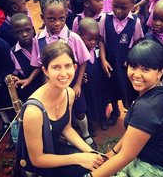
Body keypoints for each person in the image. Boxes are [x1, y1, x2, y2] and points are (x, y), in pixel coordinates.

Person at [85, 40, 163, 177]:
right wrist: (113, 152)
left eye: (145, 69)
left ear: (160, 72)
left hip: (150, 170)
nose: (136, 74)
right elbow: (133, 132)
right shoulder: (157, 90)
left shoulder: (147, 108)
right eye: (133, 66)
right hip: (146, 161)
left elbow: (125, 157)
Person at [15, 41, 104, 177]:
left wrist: (91, 153)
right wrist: (79, 158)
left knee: (96, 166)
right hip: (39, 165)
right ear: (45, 70)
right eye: (56, 67)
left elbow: (67, 129)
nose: (63, 73)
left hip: (55, 148)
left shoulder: (69, 93)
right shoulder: (34, 111)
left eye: (68, 66)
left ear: (75, 67)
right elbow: (37, 159)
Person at [30, 0, 95, 147]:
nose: (57, 23)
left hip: (71, 85)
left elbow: (83, 60)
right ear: (42, 17)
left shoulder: (73, 38)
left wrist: (78, 84)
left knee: (79, 111)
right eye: (51, 19)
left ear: (67, 14)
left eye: (62, 18)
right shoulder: (38, 40)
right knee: (57, 114)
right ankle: (63, 136)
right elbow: (39, 65)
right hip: (51, 87)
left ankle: (85, 134)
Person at [99, 0, 144, 126]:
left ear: (133, 4)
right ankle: (115, 111)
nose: (118, 10)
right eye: (115, 6)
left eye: (123, 8)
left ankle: (131, 114)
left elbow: (138, 42)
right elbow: (100, 40)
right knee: (110, 89)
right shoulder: (105, 19)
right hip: (109, 65)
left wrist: (130, 60)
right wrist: (103, 60)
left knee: (127, 90)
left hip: (125, 66)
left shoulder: (135, 22)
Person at [78, 17, 109, 131]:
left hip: (99, 84)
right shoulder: (78, 51)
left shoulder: (98, 48)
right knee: (88, 104)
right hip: (86, 86)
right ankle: (90, 124)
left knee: (101, 101)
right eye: (89, 39)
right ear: (80, 35)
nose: (93, 42)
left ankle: (103, 118)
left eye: (95, 39)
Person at [10, 13, 42, 102]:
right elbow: (17, 71)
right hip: (31, 92)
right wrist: (14, 77)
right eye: (19, 32)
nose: (24, 34)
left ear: (32, 29)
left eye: (27, 30)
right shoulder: (13, 52)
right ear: (13, 34)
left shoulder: (41, 43)